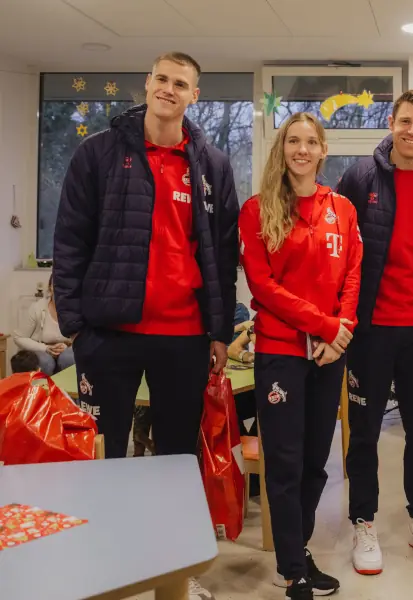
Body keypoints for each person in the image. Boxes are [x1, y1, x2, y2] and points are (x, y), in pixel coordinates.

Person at [51, 51, 238, 600]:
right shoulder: (99, 153)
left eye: (182, 83)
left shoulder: (212, 164)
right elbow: (69, 242)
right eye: (162, 79)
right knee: (104, 457)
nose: (170, 89)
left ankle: (174, 574)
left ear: (194, 95)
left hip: (183, 338)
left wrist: (220, 332)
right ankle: (106, 567)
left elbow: (221, 258)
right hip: (109, 336)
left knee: (174, 462)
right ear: (147, 84)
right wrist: (78, 327)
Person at [336, 88, 413, 573]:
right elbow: (342, 249)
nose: (412, 131)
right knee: (364, 433)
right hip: (370, 332)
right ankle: (363, 522)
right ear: (391, 122)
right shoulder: (360, 177)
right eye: (405, 121)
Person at [239, 112, 363, 600]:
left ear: (324, 149)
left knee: (316, 464)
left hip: (328, 356)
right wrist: (326, 325)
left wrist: (342, 332)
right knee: (285, 462)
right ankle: (291, 570)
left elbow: (353, 272)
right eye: (294, 141)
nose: (302, 150)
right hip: (281, 354)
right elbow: (262, 287)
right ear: (282, 147)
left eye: (311, 142)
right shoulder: (257, 209)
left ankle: (300, 548)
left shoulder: (342, 209)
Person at [12, 275, 74, 376]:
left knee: (68, 358)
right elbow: (19, 337)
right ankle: (42, 391)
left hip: (67, 349)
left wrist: (68, 347)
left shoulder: (76, 310)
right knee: (46, 362)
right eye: (57, 285)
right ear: (50, 287)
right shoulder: (37, 308)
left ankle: (65, 391)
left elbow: (84, 338)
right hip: (41, 349)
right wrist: (45, 348)